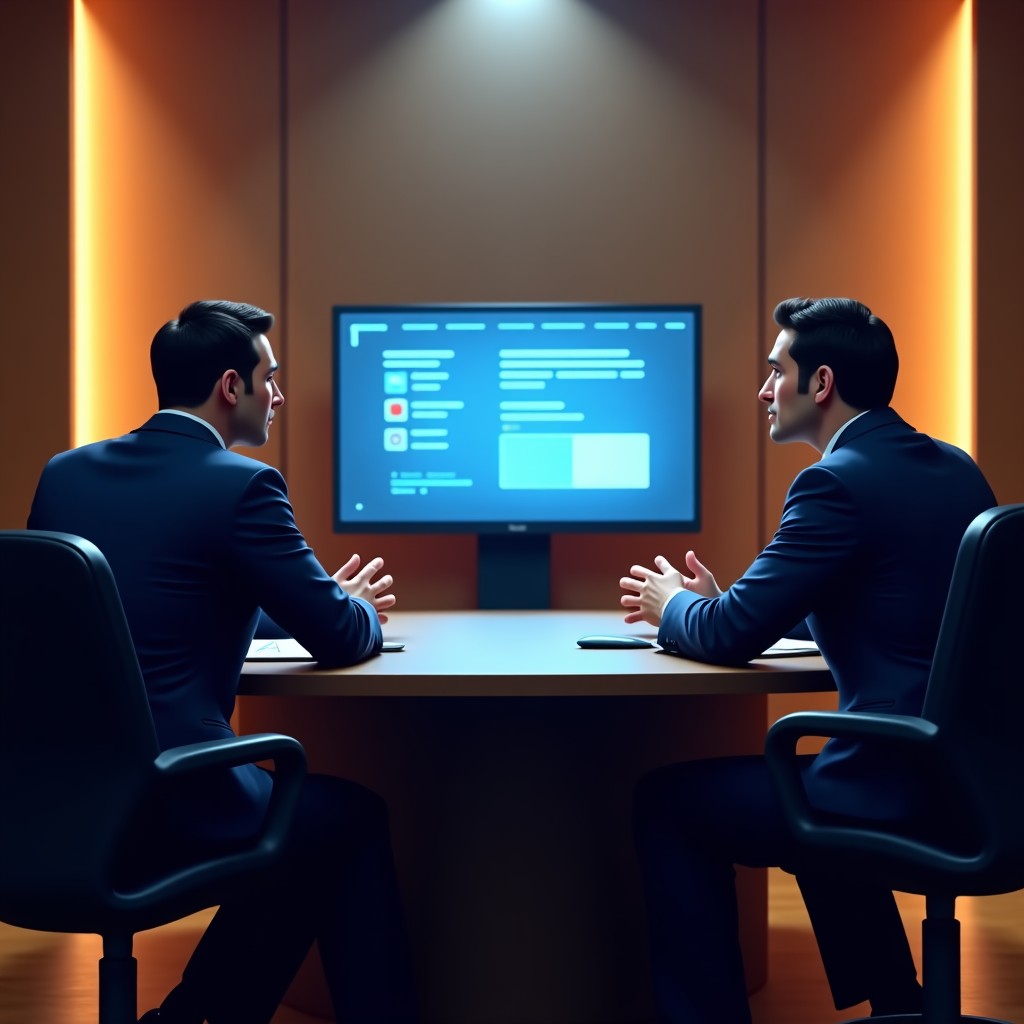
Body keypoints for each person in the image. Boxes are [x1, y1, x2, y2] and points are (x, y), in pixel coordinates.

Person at [28, 300, 417, 1024]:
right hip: (173, 796)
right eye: (271, 378)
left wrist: (316, 603)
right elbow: (342, 638)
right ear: (231, 387)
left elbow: (150, 599)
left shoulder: (66, 475)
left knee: (307, 835)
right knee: (344, 819)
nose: (279, 395)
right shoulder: (241, 485)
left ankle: (193, 1014)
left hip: (46, 804)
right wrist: (347, 605)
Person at [619, 297, 996, 1023]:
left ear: (820, 383)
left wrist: (673, 606)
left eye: (774, 372)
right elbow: (876, 595)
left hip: (897, 788)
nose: (764, 391)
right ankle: (895, 1004)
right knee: (816, 772)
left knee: (669, 804)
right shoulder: (953, 468)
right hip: (978, 783)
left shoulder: (834, 483)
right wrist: (727, 604)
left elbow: (730, 637)